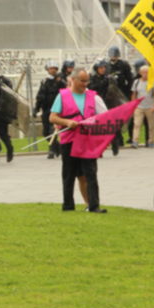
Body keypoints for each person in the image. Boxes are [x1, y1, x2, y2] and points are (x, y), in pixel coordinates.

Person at [49, 67, 108, 213]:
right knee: (69, 175)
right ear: (73, 79)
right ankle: (68, 206)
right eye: (82, 81)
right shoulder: (62, 96)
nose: (85, 84)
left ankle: (94, 206)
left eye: (87, 81)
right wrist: (67, 122)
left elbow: (104, 117)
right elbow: (52, 117)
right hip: (69, 141)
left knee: (91, 174)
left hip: (87, 141)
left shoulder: (93, 97)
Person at [35, 61, 66, 159]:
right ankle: (58, 146)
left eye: (54, 68)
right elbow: (40, 96)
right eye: (51, 68)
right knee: (45, 132)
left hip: (56, 110)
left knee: (53, 130)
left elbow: (66, 93)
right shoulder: (44, 82)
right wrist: (36, 108)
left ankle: (51, 150)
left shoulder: (60, 81)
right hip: (46, 109)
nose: (53, 70)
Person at [130, 65, 154, 149]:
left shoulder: (152, 82)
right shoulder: (136, 82)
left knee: (151, 125)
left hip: (150, 107)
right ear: (140, 73)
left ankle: (151, 141)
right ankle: (135, 141)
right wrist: (133, 106)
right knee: (137, 124)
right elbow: (134, 94)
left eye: (147, 72)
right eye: (144, 72)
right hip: (139, 107)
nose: (145, 74)